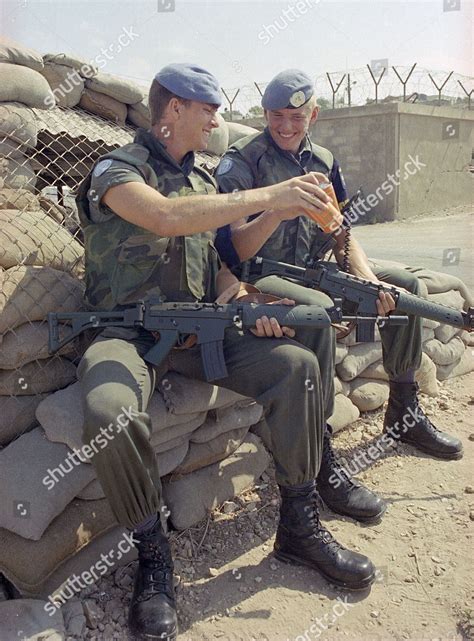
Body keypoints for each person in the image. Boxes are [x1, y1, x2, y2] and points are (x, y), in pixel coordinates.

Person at [76, 64, 377, 641]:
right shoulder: (117, 169)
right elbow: (163, 218)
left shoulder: (202, 183)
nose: (216, 119)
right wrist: (274, 195)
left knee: (298, 366)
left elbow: (216, 266)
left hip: (197, 331)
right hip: (126, 332)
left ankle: (298, 521)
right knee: (110, 410)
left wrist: (239, 299)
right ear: (173, 112)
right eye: (206, 109)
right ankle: (153, 557)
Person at [214, 68, 463, 527]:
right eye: (275, 116)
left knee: (404, 288)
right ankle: (321, 455)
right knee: (316, 312)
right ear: (264, 114)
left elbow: (341, 233)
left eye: (296, 116)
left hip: (317, 268)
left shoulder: (323, 159)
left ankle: (403, 411)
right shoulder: (241, 162)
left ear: (314, 114)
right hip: (261, 278)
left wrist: (368, 279)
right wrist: (276, 208)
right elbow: (233, 250)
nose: (286, 126)